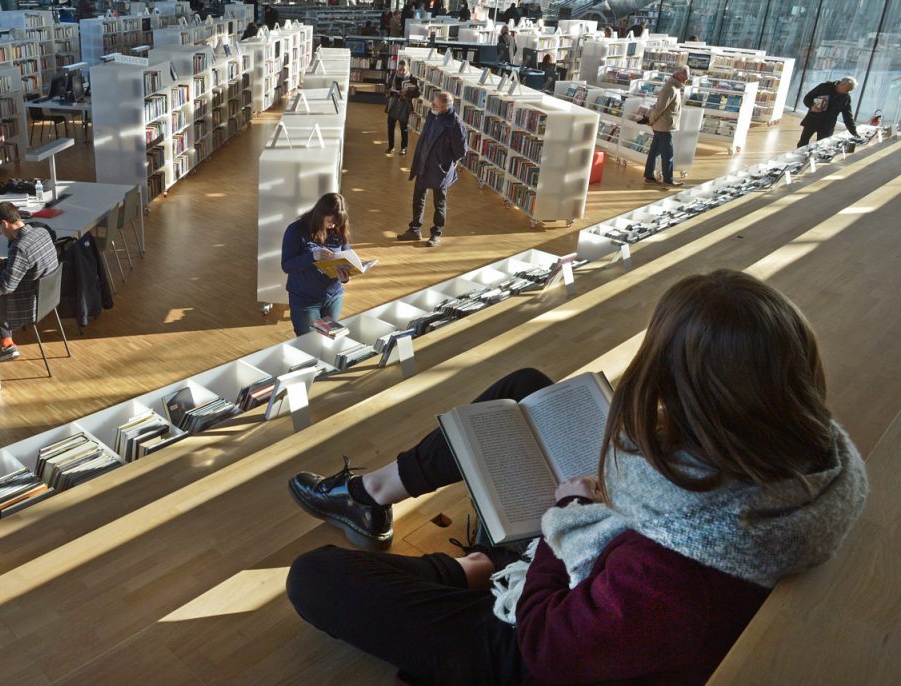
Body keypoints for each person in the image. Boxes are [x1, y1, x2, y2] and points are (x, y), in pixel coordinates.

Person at [286, 269, 868, 686]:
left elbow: (550, 647)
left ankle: (476, 566)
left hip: (537, 628)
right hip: (624, 537)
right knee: (527, 388)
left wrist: (565, 521)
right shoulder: (817, 459)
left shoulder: (672, 575)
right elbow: (683, 517)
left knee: (316, 578)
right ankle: (374, 495)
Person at [0, 201, 59, 364]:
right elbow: (30, 264)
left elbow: (5, 287)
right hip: (47, 297)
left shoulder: (19, 247)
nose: (1, 233)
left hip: (27, 305)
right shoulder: (42, 231)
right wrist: (6, 265)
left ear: (5, 223)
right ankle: (6, 344)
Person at [397, 91, 467, 248]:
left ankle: (436, 233)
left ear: (445, 108)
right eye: (433, 103)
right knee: (418, 198)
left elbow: (461, 150)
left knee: (439, 203)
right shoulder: (432, 114)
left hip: (440, 168)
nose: (432, 106)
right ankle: (414, 229)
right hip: (424, 162)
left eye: (436, 105)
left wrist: (448, 162)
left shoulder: (455, 124)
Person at [281, 193, 353, 337]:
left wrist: (345, 277)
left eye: (337, 222)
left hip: (333, 297)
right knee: (309, 342)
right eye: (330, 221)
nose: (333, 226)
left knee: (328, 341)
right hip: (305, 301)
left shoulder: (338, 230)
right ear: (320, 214)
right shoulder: (296, 230)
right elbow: (287, 265)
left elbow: (347, 258)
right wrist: (312, 257)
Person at [640, 65, 690, 188]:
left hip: (662, 125)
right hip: (664, 127)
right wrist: (650, 121)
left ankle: (649, 176)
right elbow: (659, 108)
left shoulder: (675, 87)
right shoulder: (670, 88)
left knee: (654, 152)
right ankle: (668, 179)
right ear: (678, 74)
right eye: (685, 75)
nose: (687, 78)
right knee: (668, 154)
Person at [798, 76, 858, 146]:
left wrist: (854, 132)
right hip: (813, 119)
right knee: (803, 142)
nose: (847, 92)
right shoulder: (824, 87)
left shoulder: (846, 98)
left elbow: (847, 116)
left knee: (823, 145)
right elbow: (807, 98)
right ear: (842, 84)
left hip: (828, 124)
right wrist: (811, 106)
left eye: (849, 91)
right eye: (847, 90)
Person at [386, 61, 418, 155]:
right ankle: (391, 146)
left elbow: (417, 93)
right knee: (390, 127)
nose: (401, 71)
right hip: (393, 104)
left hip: (404, 106)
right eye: (399, 69)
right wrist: (390, 90)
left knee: (404, 128)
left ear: (407, 68)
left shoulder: (412, 79)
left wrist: (407, 93)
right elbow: (387, 89)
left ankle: (403, 148)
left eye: (403, 70)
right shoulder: (393, 76)